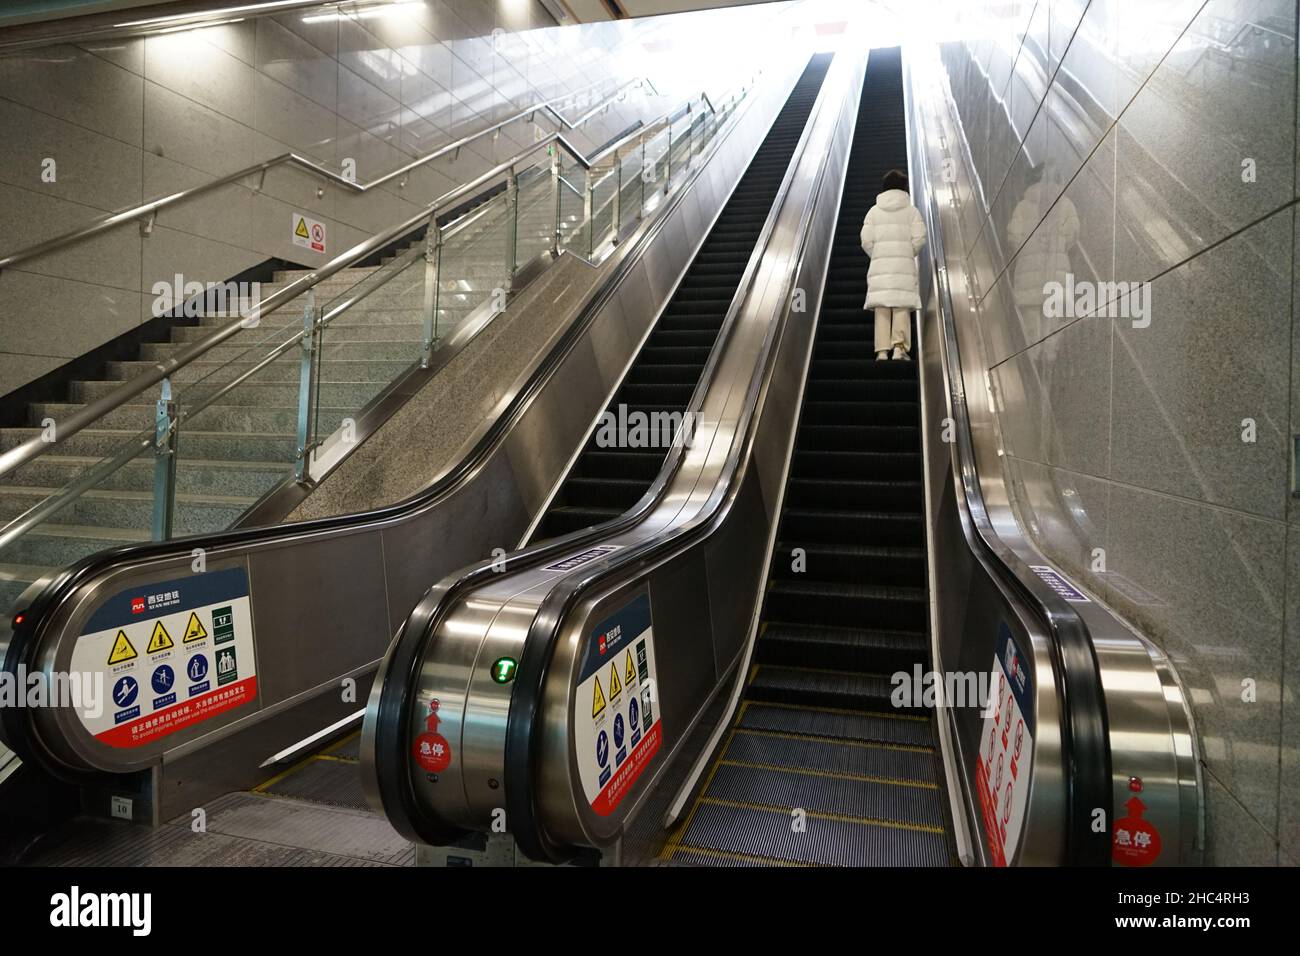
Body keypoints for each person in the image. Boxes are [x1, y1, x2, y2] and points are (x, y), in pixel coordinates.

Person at [859, 169, 926, 360]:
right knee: (901, 305)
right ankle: (899, 349)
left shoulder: (873, 212)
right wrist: (907, 252)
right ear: (904, 188)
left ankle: (881, 351)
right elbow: (920, 238)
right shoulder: (912, 212)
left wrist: (877, 254)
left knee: (881, 306)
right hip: (903, 266)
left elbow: (866, 240)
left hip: (880, 266)